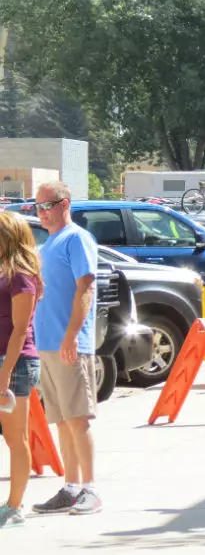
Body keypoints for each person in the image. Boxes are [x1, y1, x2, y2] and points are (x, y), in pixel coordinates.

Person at [31, 181, 102, 516]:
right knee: (61, 419)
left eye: (48, 205)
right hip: (47, 344)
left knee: (78, 418)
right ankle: (70, 487)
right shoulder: (48, 244)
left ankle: (90, 489)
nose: (42, 212)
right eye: (38, 206)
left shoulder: (77, 238)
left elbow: (85, 287)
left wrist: (72, 335)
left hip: (69, 343)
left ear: (65, 204)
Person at [0, 213, 41, 528]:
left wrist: (5, 374)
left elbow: (19, 328)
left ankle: (15, 506)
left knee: (16, 438)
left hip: (14, 363)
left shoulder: (21, 276)